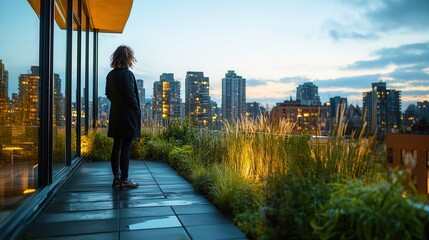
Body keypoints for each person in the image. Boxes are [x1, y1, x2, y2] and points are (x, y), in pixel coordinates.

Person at [106, 45, 141, 189]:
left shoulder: (110, 75)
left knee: (116, 146)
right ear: (128, 58)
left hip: (116, 114)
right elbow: (130, 94)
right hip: (128, 116)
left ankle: (116, 178)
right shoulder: (127, 74)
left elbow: (108, 94)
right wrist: (136, 109)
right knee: (126, 148)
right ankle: (125, 180)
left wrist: (117, 102)